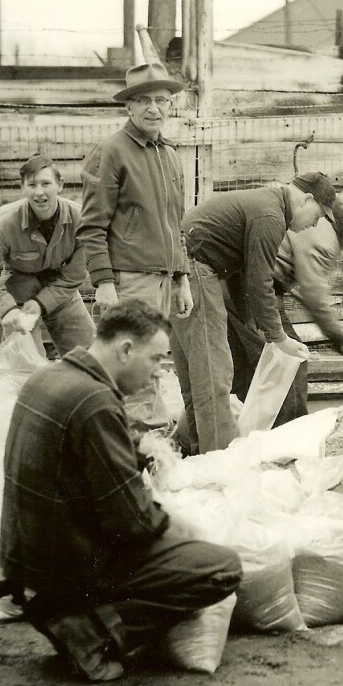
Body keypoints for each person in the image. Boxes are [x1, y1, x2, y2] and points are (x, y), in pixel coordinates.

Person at [0, 301, 242, 682]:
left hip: (25, 556)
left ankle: (65, 607)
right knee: (220, 567)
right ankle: (91, 630)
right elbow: (132, 523)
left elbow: (86, 452)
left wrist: (137, 449)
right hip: (64, 560)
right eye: (155, 360)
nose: (158, 374)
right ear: (126, 350)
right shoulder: (95, 402)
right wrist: (181, 528)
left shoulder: (51, 378)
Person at [170, 174, 333, 454]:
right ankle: (219, 462)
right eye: (318, 215)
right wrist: (278, 337)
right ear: (307, 199)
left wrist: (250, 320)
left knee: (196, 374)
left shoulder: (265, 204)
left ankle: (197, 452)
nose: (315, 224)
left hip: (179, 269)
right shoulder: (271, 216)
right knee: (213, 374)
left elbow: (241, 274)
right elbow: (260, 283)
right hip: (195, 270)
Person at [78, 60, 194, 429]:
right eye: (143, 100)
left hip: (163, 280)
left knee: (152, 363)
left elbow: (176, 222)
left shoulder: (170, 154)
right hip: (128, 281)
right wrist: (105, 284)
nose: (153, 108)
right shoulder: (111, 151)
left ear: (170, 106)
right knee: (131, 365)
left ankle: (144, 446)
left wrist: (182, 277)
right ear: (128, 106)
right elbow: (92, 225)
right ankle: (138, 448)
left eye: (161, 100)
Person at [227, 183, 343, 426]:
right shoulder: (323, 233)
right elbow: (313, 292)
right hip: (253, 291)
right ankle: (289, 437)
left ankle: (243, 437)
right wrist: (337, 336)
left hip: (240, 284)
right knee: (291, 361)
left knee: (248, 366)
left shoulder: (323, 228)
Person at [0, 155, 96, 355]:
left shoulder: (80, 219)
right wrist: (6, 308)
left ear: (59, 185)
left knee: (89, 355)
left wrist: (41, 303)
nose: (39, 193)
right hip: (19, 287)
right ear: (22, 188)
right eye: (32, 185)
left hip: (60, 287)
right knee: (25, 360)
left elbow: (75, 274)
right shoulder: (5, 223)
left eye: (46, 183)